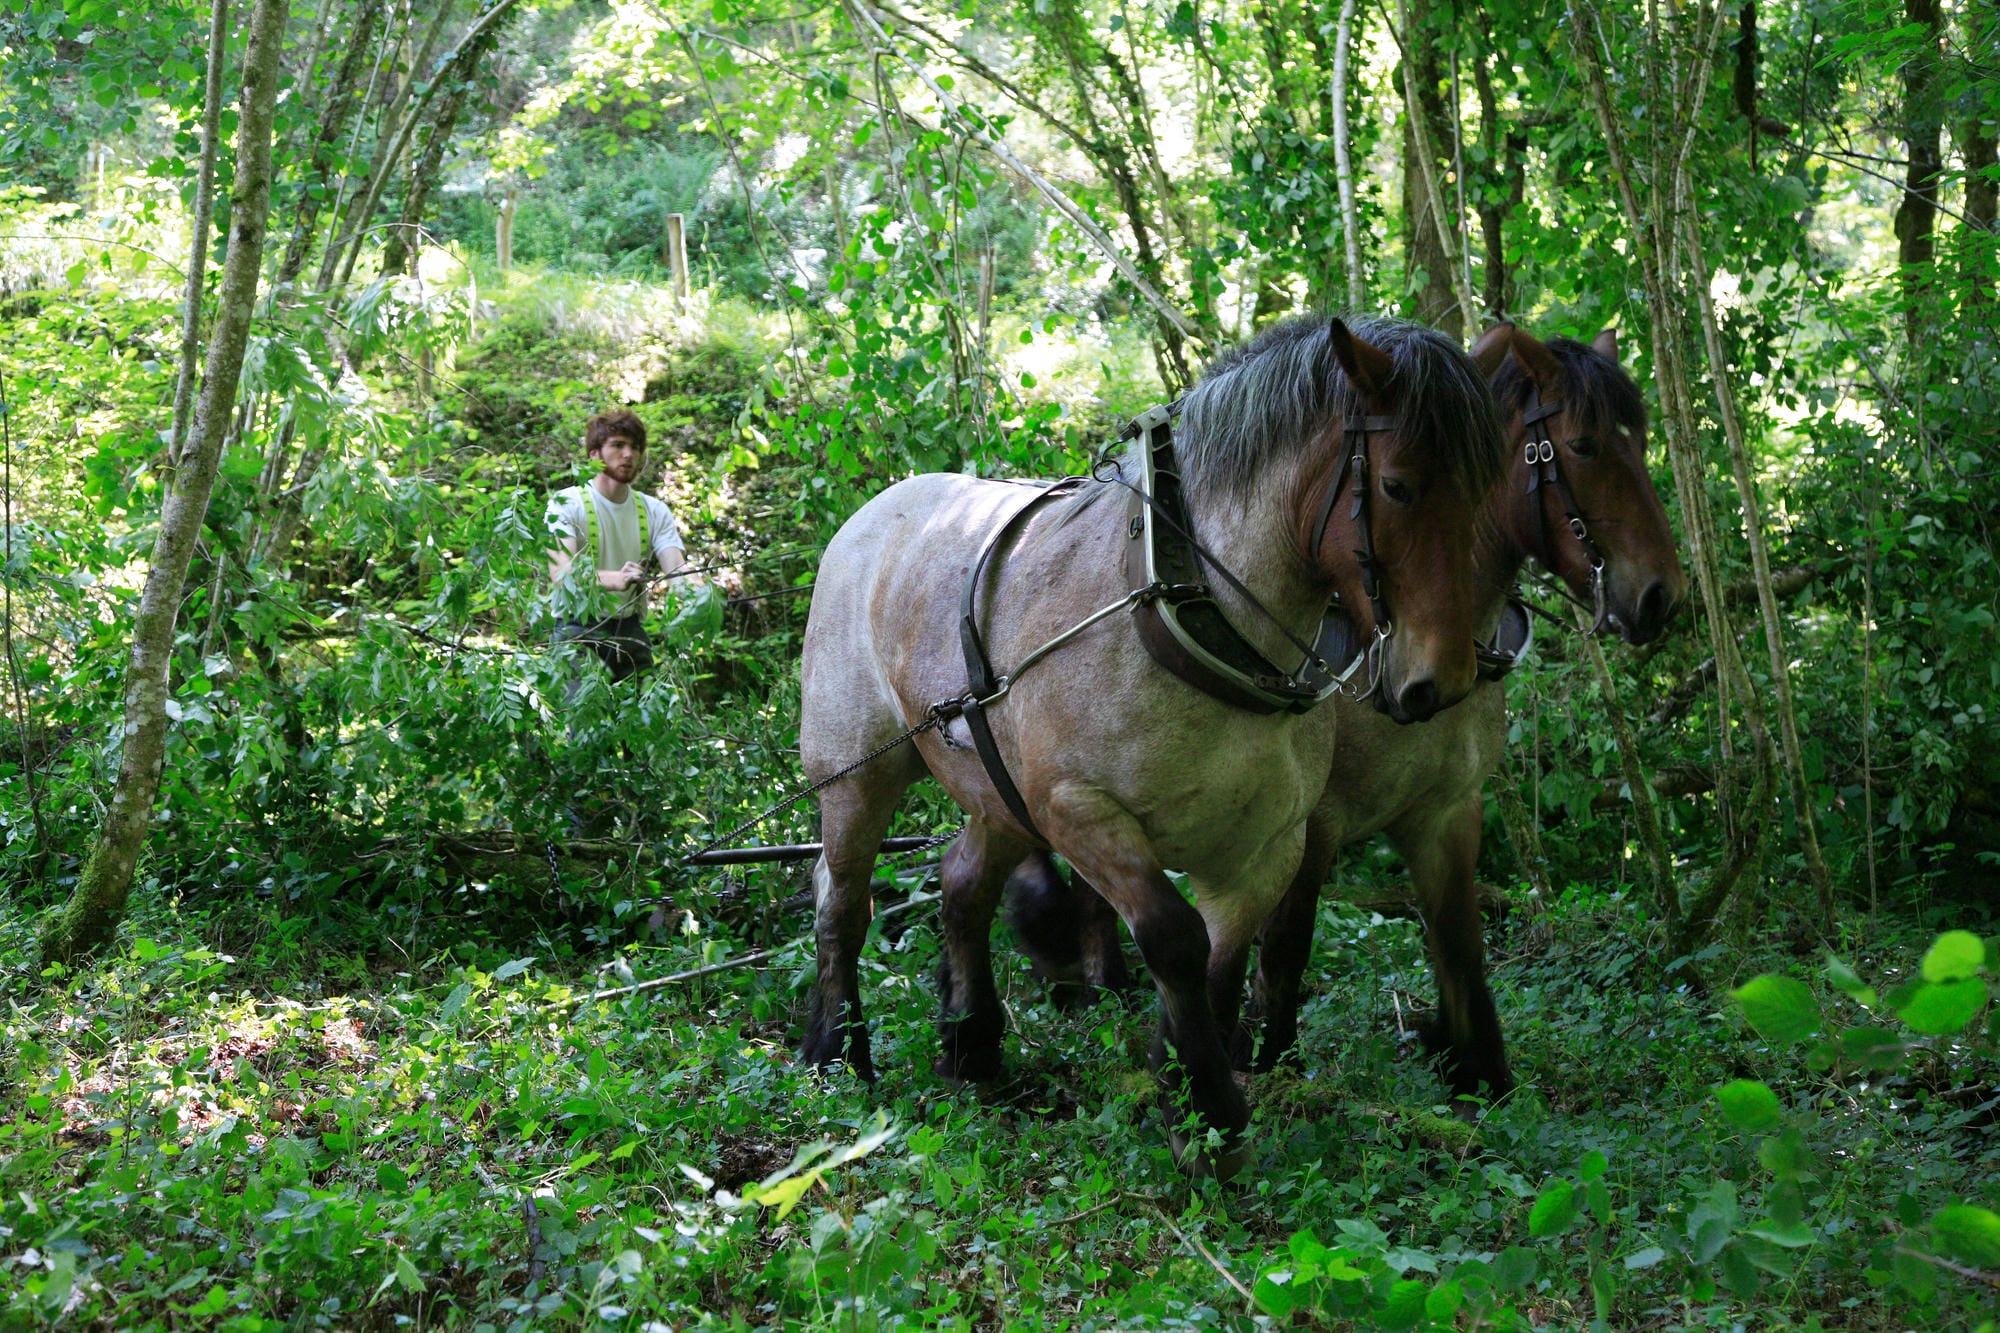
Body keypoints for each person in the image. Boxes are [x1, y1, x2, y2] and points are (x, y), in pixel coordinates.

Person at [545, 409, 687, 681]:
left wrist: (703, 594)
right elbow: (561, 575)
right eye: (618, 445)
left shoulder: (654, 510)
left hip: (630, 629)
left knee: (644, 719)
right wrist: (615, 579)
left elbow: (677, 571)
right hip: (577, 631)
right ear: (594, 454)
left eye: (635, 447)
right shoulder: (566, 503)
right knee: (584, 721)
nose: (629, 454)